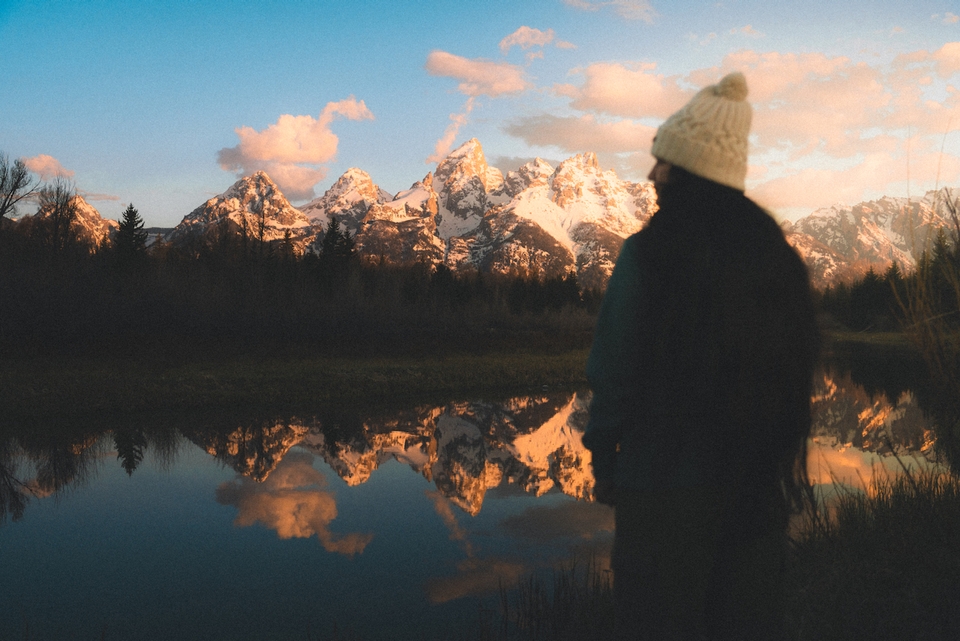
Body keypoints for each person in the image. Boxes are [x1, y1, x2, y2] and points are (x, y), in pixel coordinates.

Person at [583, 71, 820, 640]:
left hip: (659, 491)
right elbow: (795, 375)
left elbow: (612, 375)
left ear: (686, 167)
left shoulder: (647, 255)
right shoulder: (778, 259)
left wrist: (602, 453)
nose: (651, 172)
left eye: (661, 161)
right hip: (755, 492)